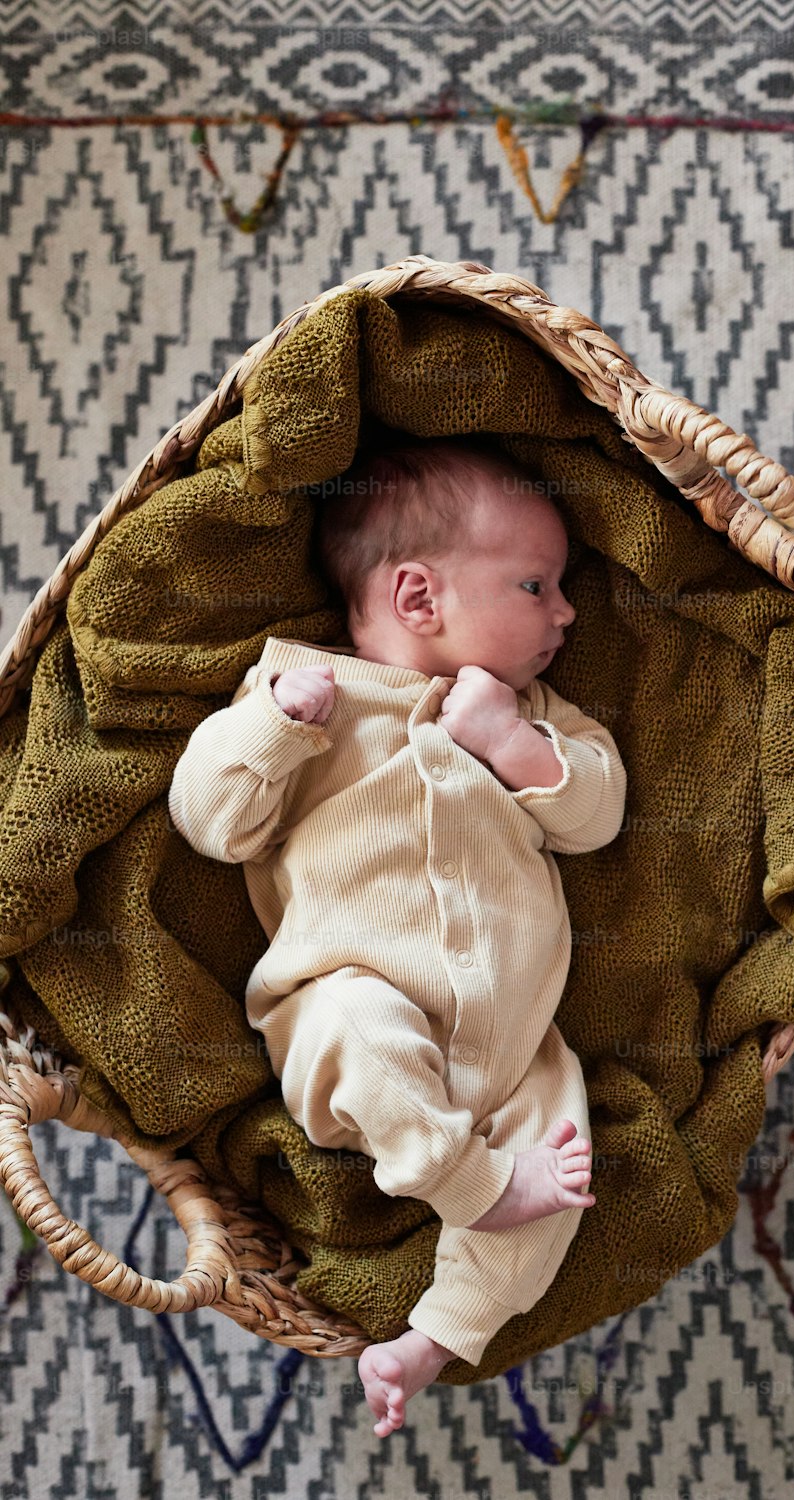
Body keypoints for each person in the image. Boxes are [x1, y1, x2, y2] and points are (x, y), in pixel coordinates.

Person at [168, 436, 628, 1436]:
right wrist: (277, 727)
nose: (566, 612)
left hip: (511, 1044)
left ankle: (434, 1335)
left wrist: (511, 743)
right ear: (419, 599)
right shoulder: (301, 695)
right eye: (536, 584)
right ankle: (464, 1183)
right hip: (344, 1004)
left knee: (566, 1142)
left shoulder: (531, 715)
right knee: (364, 1026)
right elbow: (209, 818)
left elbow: (596, 813)